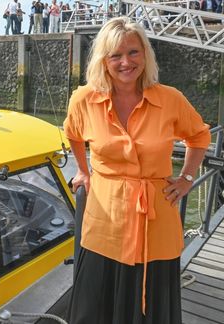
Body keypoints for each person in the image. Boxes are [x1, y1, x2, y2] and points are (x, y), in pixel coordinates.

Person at [63, 17, 210, 324]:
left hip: (155, 222)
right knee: (96, 307)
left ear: (145, 54)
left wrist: (186, 178)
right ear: (103, 59)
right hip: (105, 221)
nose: (125, 62)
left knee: (152, 307)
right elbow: (73, 134)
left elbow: (199, 136)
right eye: (115, 55)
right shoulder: (84, 99)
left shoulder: (171, 99)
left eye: (133, 52)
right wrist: (83, 171)